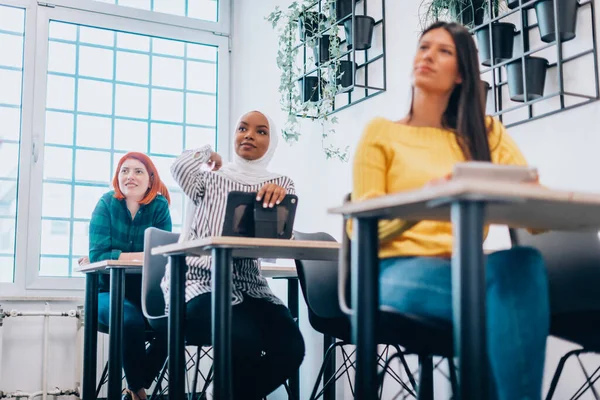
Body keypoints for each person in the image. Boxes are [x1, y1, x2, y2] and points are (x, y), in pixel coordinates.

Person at [352, 22, 549, 400]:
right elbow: (359, 230)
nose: (427, 55)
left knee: (523, 264)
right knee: (501, 303)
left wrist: (531, 196)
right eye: (424, 46)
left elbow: (534, 221)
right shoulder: (381, 133)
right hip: (391, 271)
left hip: (465, 266)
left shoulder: (486, 133)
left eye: (443, 51)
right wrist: (423, 203)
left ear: (461, 74)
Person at [161, 110, 305, 399]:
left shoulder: (281, 184)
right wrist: (206, 154)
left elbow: (281, 237)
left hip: (251, 288)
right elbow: (179, 167)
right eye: (242, 128)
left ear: (271, 142)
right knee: (244, 337)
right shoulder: (210, 180)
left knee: (292, 348)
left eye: (261, 131)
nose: (249, 134)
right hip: (198, 283)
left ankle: (221, 394)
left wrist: (275, 200)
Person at [88, 152, 172, 400]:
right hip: (108, 292)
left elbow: (160, 253)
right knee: (129, 320)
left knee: (178, 320)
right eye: (124, 170)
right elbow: (98, 255)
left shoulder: (159, 207)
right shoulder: (106, 204)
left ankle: (135, 386)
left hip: (148, 293)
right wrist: (142, 254)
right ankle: (139, 392)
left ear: (150, 178)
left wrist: (118, 254)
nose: (129, 176)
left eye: (138, 171)